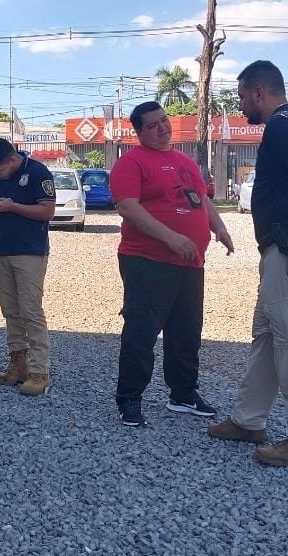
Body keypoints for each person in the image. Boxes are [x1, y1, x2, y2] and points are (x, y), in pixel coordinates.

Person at [208, 60, 288, 467]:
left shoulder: (281, 126)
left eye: (244, 95)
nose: (243, 103)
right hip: (285, 249)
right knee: (267, 336)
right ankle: (249, 420)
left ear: (259, 92)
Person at [112, 101, 234, 427]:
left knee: (186, 330)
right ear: (138, 132)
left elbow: (201, 198)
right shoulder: (132, 162)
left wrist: (218, 227)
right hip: (147, 260)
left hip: (190, 262)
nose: (162, 128)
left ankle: (182, 393)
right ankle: (130, 399)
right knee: (142, 331)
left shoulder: (184, 160)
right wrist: (170, 237)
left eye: (163, 121)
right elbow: (128, 208)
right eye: (152, 125)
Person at [0, 138, 55, 396]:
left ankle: (39, 371)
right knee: (10, 311)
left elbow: (47, 211)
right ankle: (18, 364)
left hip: (30, 251)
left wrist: (13, 206)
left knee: (31, 311)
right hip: (2, 249)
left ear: (12, 159)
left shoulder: (37, 172)